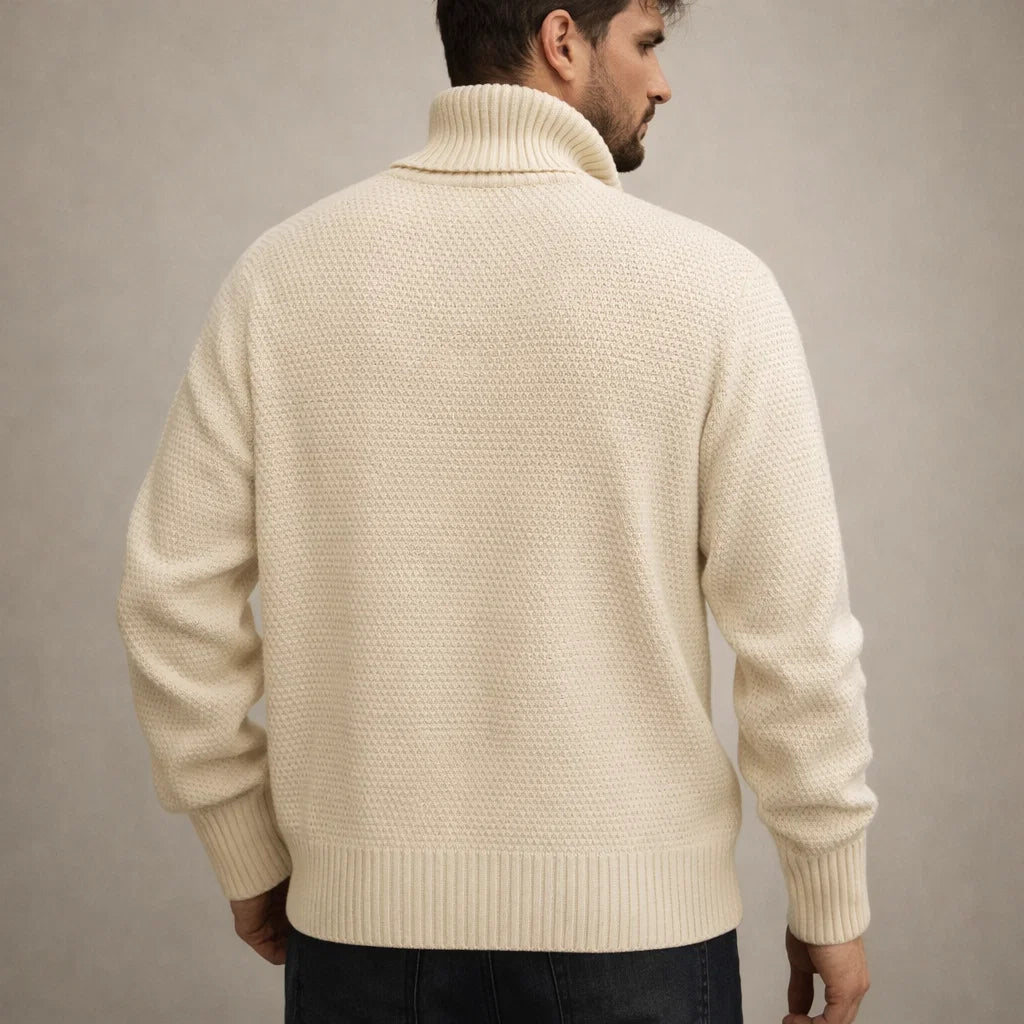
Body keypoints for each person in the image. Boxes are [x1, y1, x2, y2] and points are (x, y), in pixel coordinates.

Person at [115, 1, 877, 1021]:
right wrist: (827, 888)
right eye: (645, 43)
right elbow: (796, 636)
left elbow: (170, 599)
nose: (662, 82)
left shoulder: (283, 277)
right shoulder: (716, 291)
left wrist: (245, 843)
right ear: (562, 41)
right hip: (637, 937)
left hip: (362, 936)